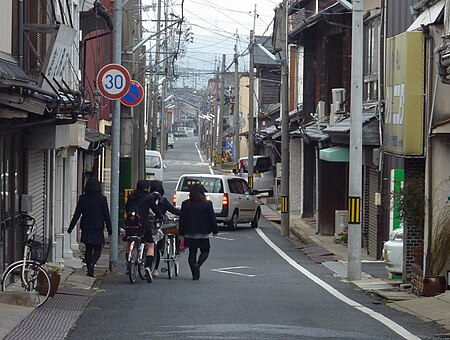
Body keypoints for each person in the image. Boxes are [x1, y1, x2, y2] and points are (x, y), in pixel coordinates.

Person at [68, 177, 112, 278]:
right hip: (98, 226)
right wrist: (110, 230)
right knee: (98, 248)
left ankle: (89, 268)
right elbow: (106, 215)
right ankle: (92, 263)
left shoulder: (83, 198)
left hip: (86, 226)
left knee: (88, 248)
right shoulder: (102, 199)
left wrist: (71, 227)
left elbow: (77, 214)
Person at [125, 179, 164, 283]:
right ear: (147, 188)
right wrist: (160, 217)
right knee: (150, 245)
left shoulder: (131, 196)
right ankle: (148, 267)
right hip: (144, 224)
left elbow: (127, 208)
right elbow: (155, 209)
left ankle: (129, 263)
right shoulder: (149, 197)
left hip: (131, 224)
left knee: (129, 242)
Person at [179, 183, 218, 280]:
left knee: (192, 252)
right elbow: (212, 218)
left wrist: (181, 233)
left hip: (189, 232)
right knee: (205, 251)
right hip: (203, 232)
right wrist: (215, 230)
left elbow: (182, 219)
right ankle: (198, 265)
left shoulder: (185, 203)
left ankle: (194, 273)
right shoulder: (207, 203)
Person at [149, 180, 181, 277]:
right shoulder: (163, 201)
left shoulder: (146, 199)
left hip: (147, 225)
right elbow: (174, 210)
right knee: (157, 247)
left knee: (147, 245)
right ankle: (155, 270)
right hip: (158, 227)